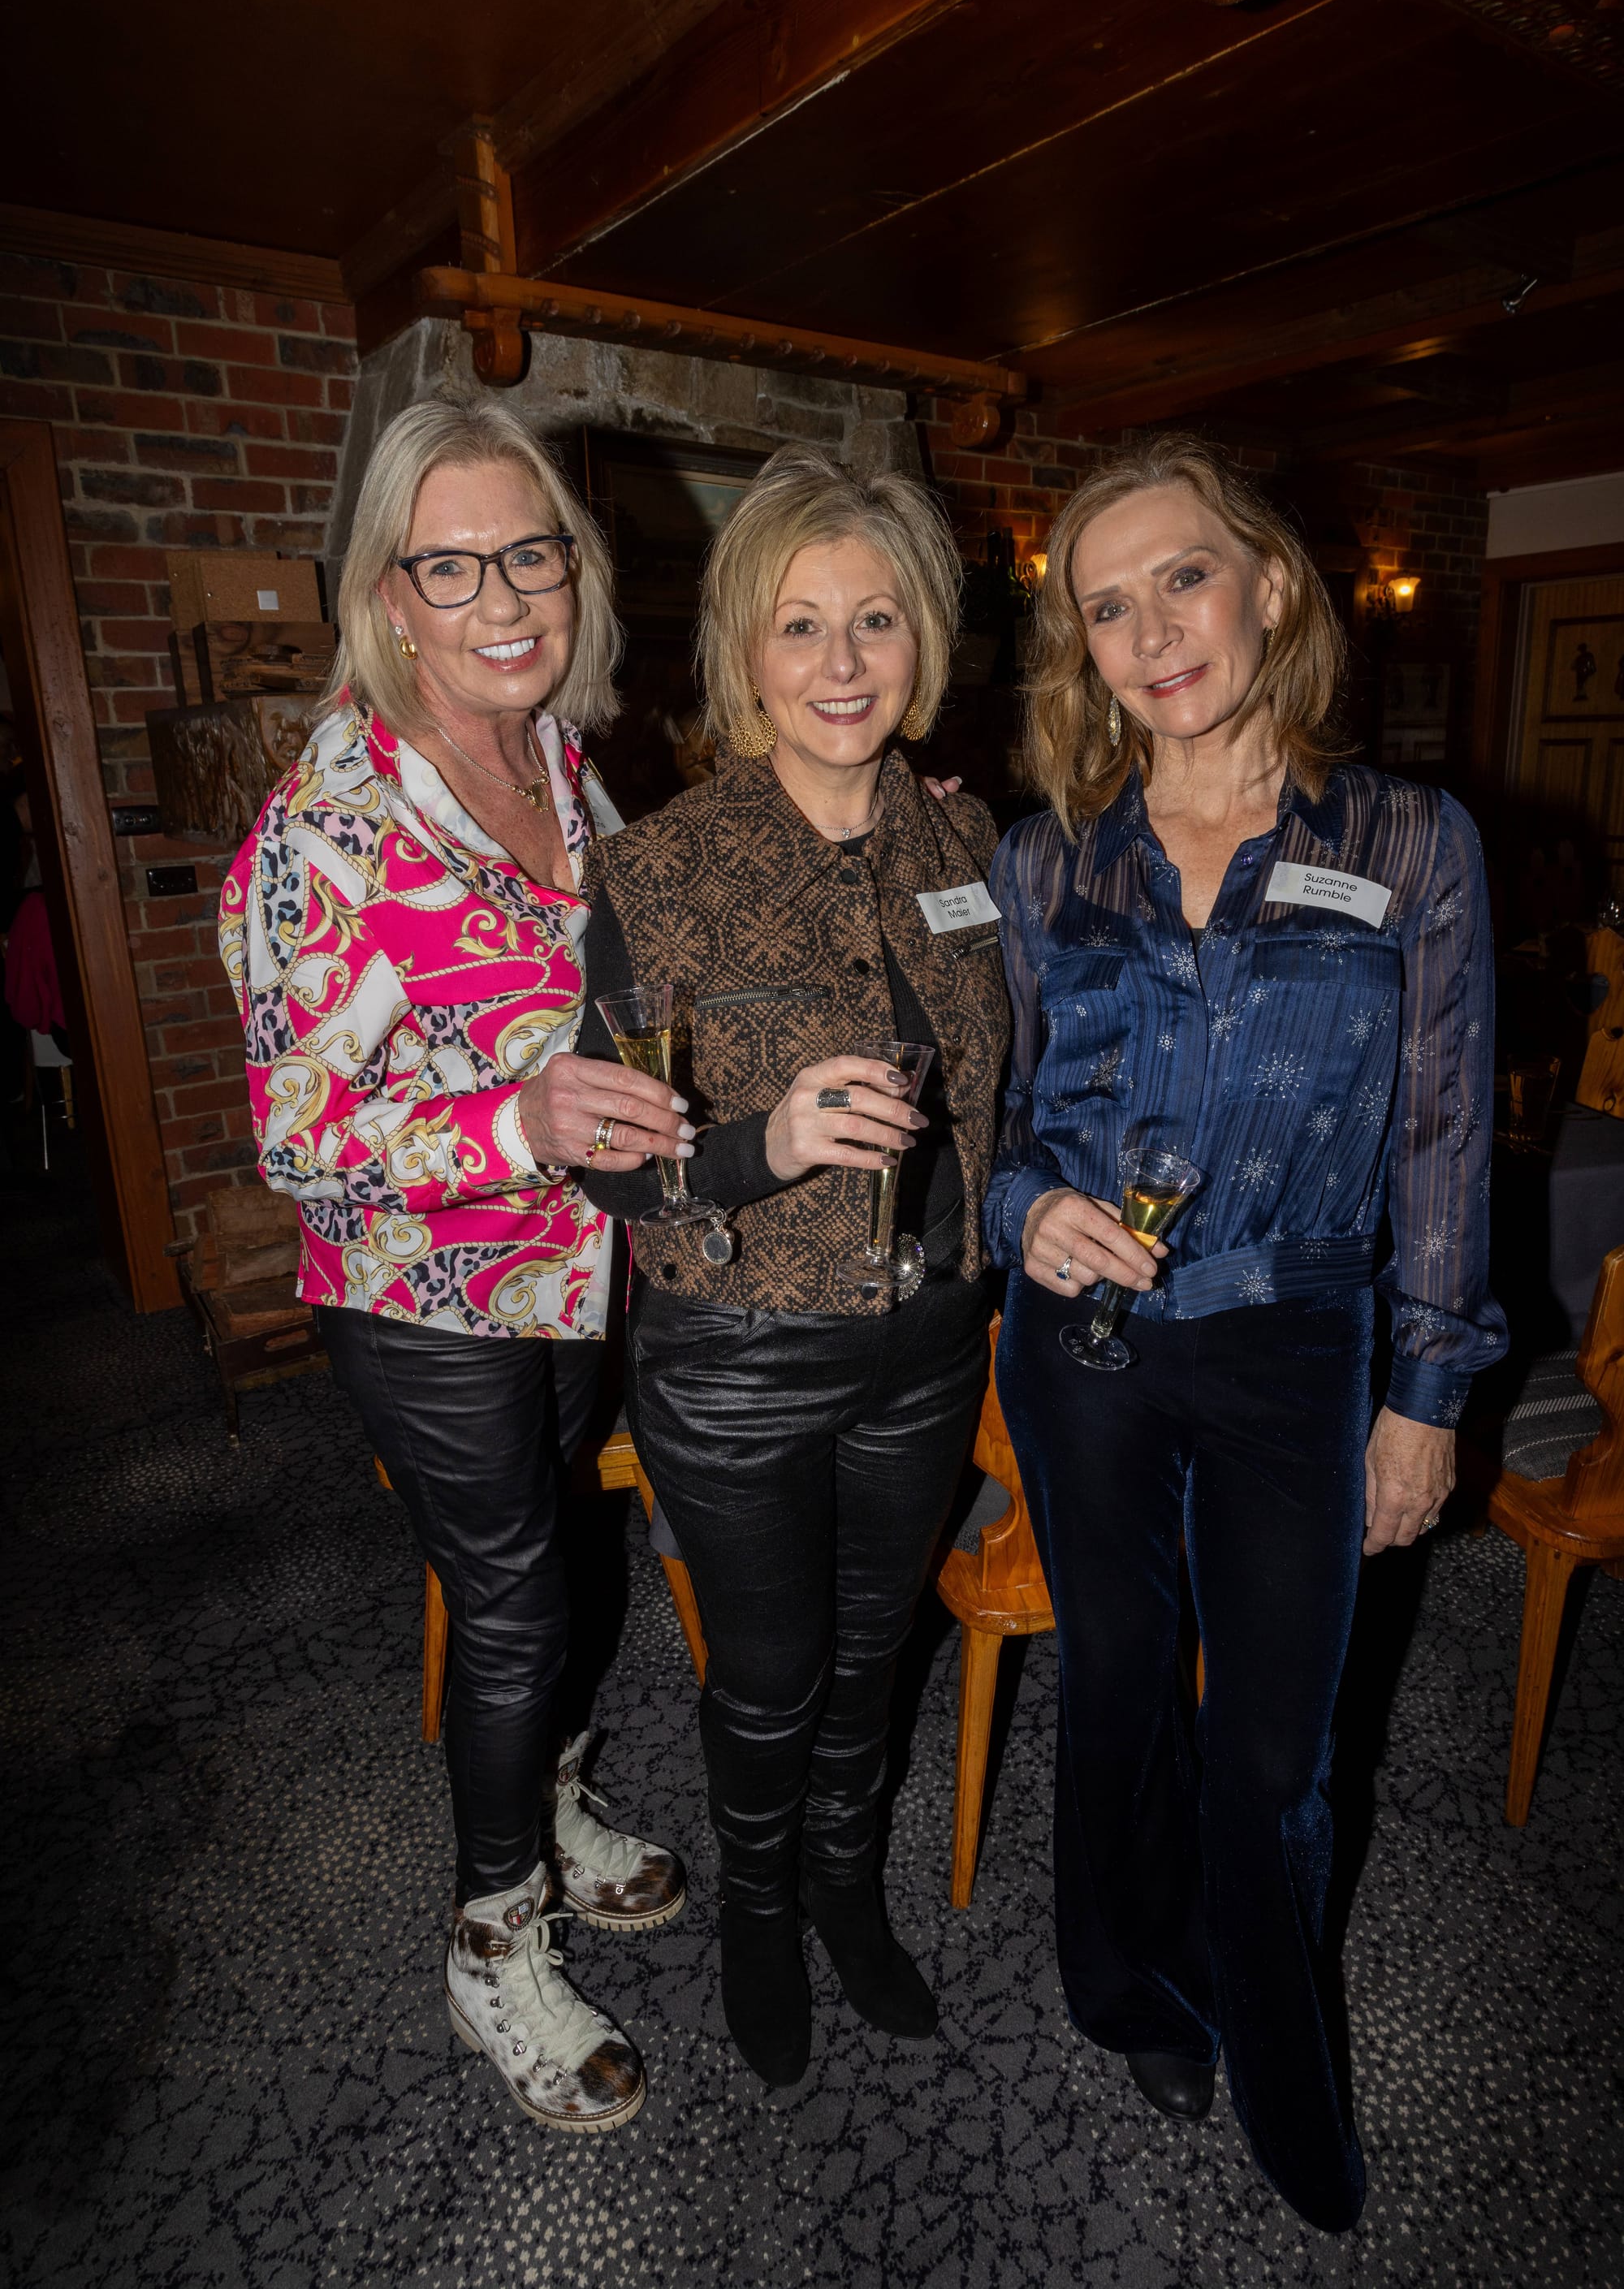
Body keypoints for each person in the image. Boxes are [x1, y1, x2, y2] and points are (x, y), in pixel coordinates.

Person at [984, 434, 1505, 2232]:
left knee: (1273, 1757)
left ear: (1268, 584)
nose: (1149, 633)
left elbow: (1443, 1127)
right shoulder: (1044, 863)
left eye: (1178, 578)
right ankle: (1124, 1985)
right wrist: (1017, 1213)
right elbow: (1000, 1130)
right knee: (1118, 1692)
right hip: (1089, 1355)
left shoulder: (1408, 841)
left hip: (1298, 1343)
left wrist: (1425, 1391)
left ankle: (1288, 2084)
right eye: (1105, 608)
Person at [219, 395, 700, 2134]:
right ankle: (492, 1944)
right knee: (509, 1614)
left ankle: (553, 1811)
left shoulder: (554, 753)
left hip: (575, 1272)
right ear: (388, 592)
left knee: (559, 1560)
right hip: (423, 1290)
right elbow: (297, 1133)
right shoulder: (321, 830)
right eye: (452, 564)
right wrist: (514, 1122)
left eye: (532, 553)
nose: (504, 597)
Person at [576, 445, 1010, 2087]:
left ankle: (842, 1890)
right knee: (768, 1680)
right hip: (740, 1357)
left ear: (924, 646)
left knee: (877, 1650)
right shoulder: (653, 870)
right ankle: (758, 1916)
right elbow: (598, 1151)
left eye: (876, 623)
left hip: (929, 1340)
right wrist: (759, 1142)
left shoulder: (972, 851)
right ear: (743, 652)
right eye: (801, 625)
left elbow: (1003, 1089)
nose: (840, 665)